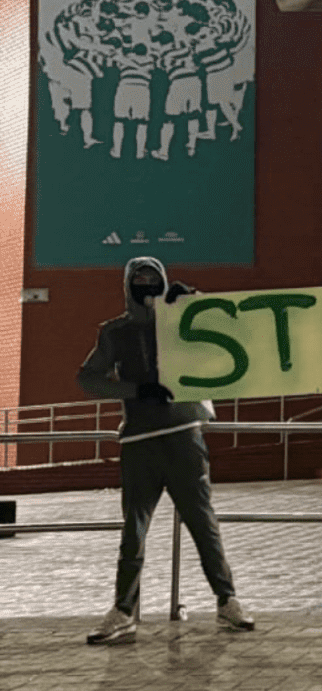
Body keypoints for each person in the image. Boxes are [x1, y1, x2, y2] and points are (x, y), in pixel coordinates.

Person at [80, 256, 254, 645]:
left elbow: (225, 328)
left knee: (203, 523)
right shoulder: (115, 333)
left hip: (184, 435)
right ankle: (123, 610)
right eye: (138, 280)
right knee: (134, 531)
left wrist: (191, 300)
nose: (146, 287)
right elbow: (87, 378)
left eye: (152, 279)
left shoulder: (180, 319)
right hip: (139, 442)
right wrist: (135, 390)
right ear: (127, 285)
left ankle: (227, 600)